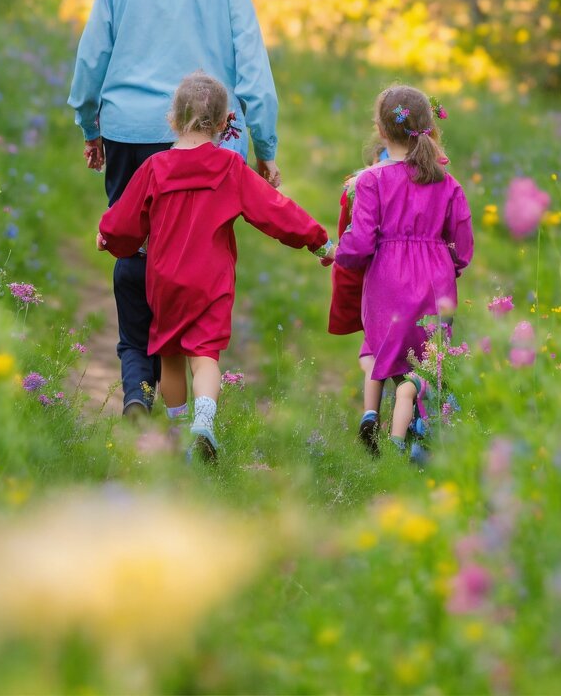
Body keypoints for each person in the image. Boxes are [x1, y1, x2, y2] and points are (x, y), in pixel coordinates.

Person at [67, 0, 282, 419]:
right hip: (214, 135)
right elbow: (253, 66)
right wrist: (264, 143)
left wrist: (89, 122)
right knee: (197, 254)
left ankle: (140, 384)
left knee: (134, 247)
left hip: (130, 130)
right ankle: (192, 390)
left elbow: (92, 56)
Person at [96, 72, 331, 460]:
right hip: (211, 280)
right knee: (204, 355)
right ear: (224, 124)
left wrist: (107, 237)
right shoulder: (230, 168)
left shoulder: (155, 168)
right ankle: (203, 423)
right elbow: (276, 212)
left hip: (165, 279)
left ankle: (176, 427)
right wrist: (318, 241)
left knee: (169, 353)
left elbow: (124, 223)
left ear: (172, 119)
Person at [334, 85, 473, 455]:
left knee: (388, 350)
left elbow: (361, 241)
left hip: (388, 279)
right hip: (437, 280)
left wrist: (338, 254)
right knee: (428, 358)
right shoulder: (447, 183)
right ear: (430, 129)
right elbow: (462, 241)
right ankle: (410, 433)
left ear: (381, 130)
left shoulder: (370, 180)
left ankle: (384, 425)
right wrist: (451, 266)